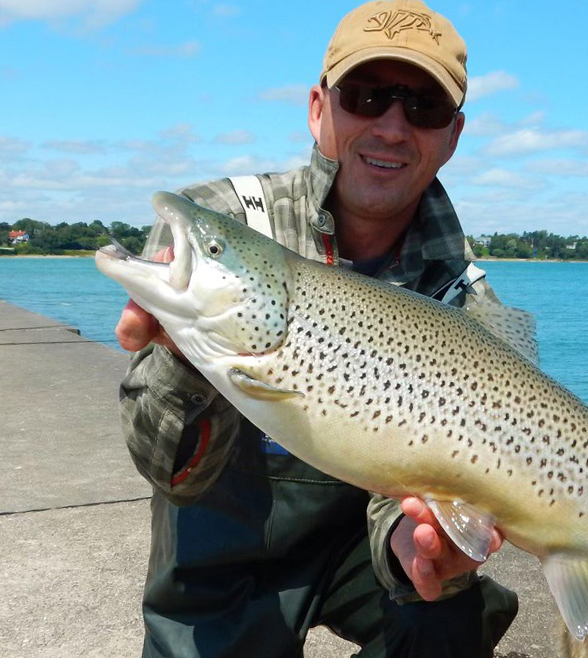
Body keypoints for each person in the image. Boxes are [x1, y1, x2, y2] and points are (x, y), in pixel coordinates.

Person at [113, 1, 518, 656]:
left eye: (423, 107)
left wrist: (410, 544)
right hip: (215, 561)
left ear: (453, 136)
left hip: (355, 545)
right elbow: (168, 472)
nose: (391, 126)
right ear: (317, 108)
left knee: (449, 614)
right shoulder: (223, 223)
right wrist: (186, 360)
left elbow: (417, 477)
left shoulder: (462, 304)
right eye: (365, 96)